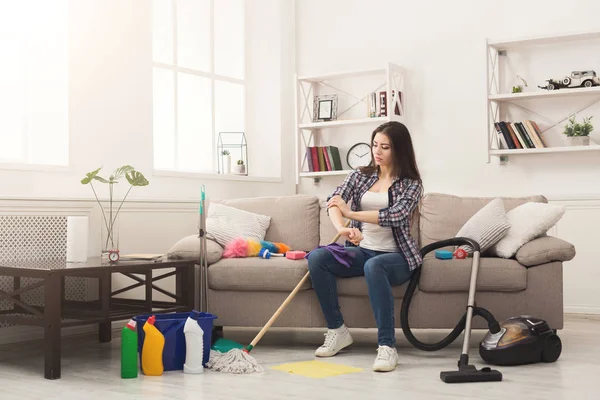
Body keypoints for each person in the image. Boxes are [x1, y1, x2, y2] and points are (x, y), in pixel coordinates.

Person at [307, 121, 424, 372]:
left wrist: (353, 214)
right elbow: (334, 201)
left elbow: (396, 215)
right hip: (363, 250)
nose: (377, 151)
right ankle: (338, 331)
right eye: (374, 145)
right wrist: (341, 227)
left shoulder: (411, 183)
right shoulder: (360, 175)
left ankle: (387, 347)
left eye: (385, 147)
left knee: (374, 265)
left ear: (399, 150)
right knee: (317, 258)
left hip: (397, 257)